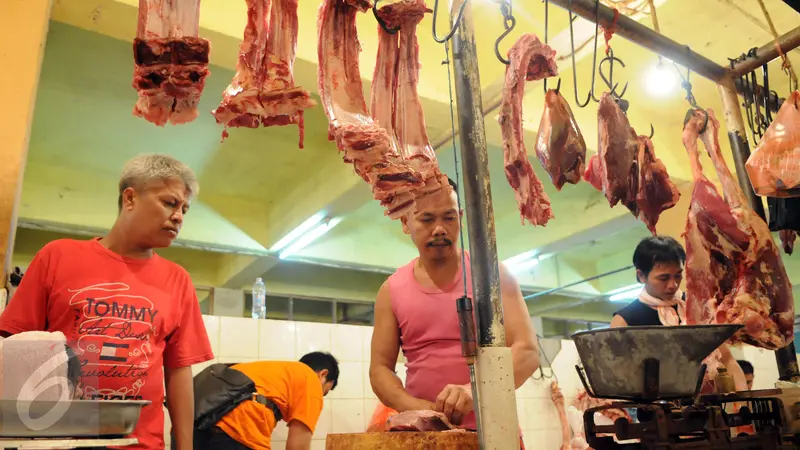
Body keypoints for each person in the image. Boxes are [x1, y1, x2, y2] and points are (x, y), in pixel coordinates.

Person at [0, 154, 214, 450]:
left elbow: (178, 370)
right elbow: (15, 346)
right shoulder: (58, 256)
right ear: (130, 198)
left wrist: (185, 447)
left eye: (184, 209)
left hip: (138, 443)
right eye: (170, 203)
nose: (179, 216)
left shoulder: (177, 279)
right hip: (56, 441)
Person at [369, 177, 539, 431]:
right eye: (427, 219)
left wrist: (475, 391)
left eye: (448, 218)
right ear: (405, 221)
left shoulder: (492, 275)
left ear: (460, 217)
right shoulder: (390, 290)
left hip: (494, 432)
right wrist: (415, 406)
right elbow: (380, 369)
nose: (439, 229)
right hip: (423, 437)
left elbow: (527, 352)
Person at [610, 235, 746, 390]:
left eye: (678, 275)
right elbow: (620, 377)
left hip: (708, 402)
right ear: (641, 276)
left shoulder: (696, 306)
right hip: (657, 410)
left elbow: (727, 360)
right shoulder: (625, 320)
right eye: (663, 278)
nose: (672, 285)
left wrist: (742, 397)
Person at [198, 352, 339, 450]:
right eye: (324, 391)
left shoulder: (273, 371)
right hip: (240, 430)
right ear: (323, 375)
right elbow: (297, 447)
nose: (320, 396)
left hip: (204, 422)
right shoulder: (311, 380)